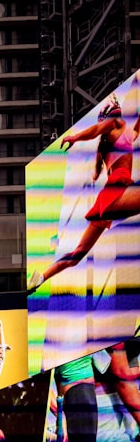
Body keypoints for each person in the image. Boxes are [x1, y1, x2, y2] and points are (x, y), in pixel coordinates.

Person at [29, 95, 140, 293]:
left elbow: (132, 133)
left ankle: (41, 277)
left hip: (108, 198)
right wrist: (75, 137)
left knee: (77, 253)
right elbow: (97, 130)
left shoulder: (114, 139)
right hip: (116, 192)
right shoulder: (115, 126)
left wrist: (97, 170)